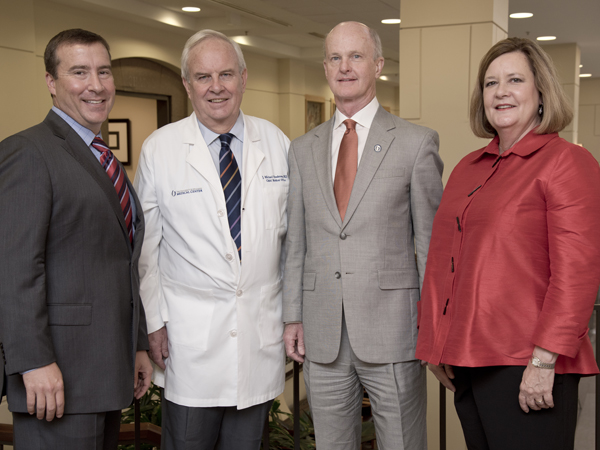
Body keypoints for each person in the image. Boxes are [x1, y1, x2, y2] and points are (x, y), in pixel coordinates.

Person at [416, 37, 600, 450]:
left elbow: (577, 275)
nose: (500, 92)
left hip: (526, 363)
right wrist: (435, 344)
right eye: (490, 82)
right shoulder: (468, 167)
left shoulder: (567, 162)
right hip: (466, 359)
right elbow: (442, 263)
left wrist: (543, 360)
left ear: (540, 93)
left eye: (515, 80)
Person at [283, 21, 443, 450]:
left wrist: (435, 326)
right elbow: (297, 243)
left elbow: (430, 244)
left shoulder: (415, 143)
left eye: (356, 56)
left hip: (395, 329)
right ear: (325, 68)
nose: (345, 67)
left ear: (378, 64)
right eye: (335, 57)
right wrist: (292, 315)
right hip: (322, 332)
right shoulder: (302, 149)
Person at [135, 29, 290, 450]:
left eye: (226, 74)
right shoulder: (160, 149)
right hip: (189, 341)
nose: (216, 87)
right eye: (203, 77)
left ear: (243, 77)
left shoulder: (275, 142)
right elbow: (146, 251)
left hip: (258, 335)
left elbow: (293, 244)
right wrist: (153, 322)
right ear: (187, 85)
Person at [0, 28, 152, 449]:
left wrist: (136, 345)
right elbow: (14, 269)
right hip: (56, 376)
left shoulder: (101, 156)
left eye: (104, 72)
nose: (96, 85)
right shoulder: (28, 153)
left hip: (104, 369)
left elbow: (119, 261)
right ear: (51, 82)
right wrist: (34, 362)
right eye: (79, 72)